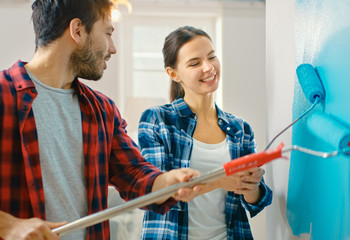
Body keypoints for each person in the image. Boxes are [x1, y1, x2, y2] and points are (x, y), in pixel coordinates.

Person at [0, 1, 203, 240]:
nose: (113, 48)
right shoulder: (3, 95)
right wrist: (8, 225)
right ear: (77, 30)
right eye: (107, 33)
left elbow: (135, 176)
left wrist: (171, 180)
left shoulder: (102, 110)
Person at [138, 26, 273, 240]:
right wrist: (219, 180)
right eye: (195, 63)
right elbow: (156, 193)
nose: (208, 67)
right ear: (173, 74)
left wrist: (250, 186)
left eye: (212, 57)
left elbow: (258, 202)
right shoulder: (157, 120)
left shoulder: (240, 128)